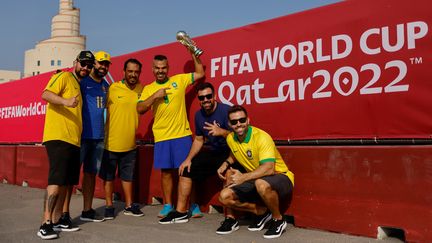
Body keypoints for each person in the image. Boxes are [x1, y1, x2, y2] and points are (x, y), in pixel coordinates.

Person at [137, 52, 205, 218]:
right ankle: (168, 205)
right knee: (166, 172)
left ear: (168, 68)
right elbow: (140, 108)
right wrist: (155, 96)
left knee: (187, 172)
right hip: (162, 137)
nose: (161, 71)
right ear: (153, 70)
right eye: (157, 68)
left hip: (182, 135)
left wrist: (193, 53)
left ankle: (193, 205)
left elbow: (200, 73)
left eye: (164, 68)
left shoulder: (179, 80)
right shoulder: (148, 88)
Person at [38, 50, 95, 240]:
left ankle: (58, 220)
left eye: (89, 65)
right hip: (58, 138)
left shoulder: (78, 85)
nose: (86, 68)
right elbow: (45, 94)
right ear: (76, 62)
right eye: (83, 63)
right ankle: (45, 224)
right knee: (56, 181)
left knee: (66, 183)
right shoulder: (63, 76)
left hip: (73, 140)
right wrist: (65, 101)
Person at [159, 82, 234, 224]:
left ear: (214, 96)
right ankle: (181, 212)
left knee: (229, 173)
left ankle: (230, 219)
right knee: (186, 169)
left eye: (208, 96)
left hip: (231, 154)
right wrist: (188, 159)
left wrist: (222, 132)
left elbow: (239, 137)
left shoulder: (227, 111)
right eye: (202, 98)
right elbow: (199, 140)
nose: (205, 100)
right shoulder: (198, 115)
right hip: (212, 153)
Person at [216, 105, 294, 239]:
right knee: (224, 197)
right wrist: (226, 163)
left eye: (242, 120)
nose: (238, 124)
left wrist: (244, 177)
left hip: (280, 176)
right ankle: (260, 211)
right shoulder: (231, 138)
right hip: (255, 179)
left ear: (248, 120)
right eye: (234, 122)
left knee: (261, 184)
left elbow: (269, 168)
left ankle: (278, 219)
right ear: (229, 124)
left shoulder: (262, 137)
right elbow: (235, 152)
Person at [99, 58, 144, 220]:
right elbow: (98, 108)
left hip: (130, 144)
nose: (133, 74)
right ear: (124, 72)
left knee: (127, 177)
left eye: (136, 72)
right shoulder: (112, 88)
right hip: (109, 143)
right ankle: (109, 206)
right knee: (109, 177)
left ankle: (129, 206)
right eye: (130, 71)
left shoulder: (142, 89)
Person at [78, 51, 111, 222]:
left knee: (90, 174)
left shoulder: (106, 86)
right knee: (70, 176)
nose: (103, 67)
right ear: (93, 64)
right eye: (100, 63)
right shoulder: (82, 82)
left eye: (106, 64)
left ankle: (87, 210)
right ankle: (63, 214)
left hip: (98, 138)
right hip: (81, 137)